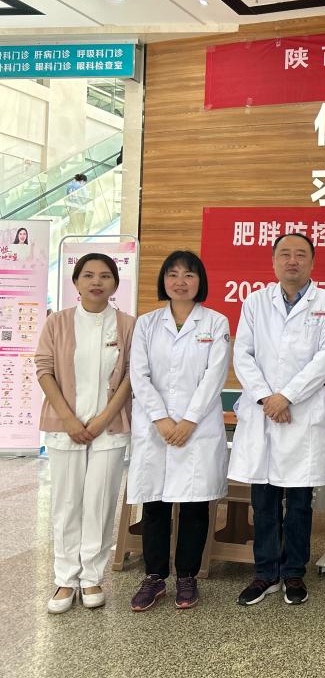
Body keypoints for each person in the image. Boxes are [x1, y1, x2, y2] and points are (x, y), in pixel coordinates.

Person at [229, 233, 325, 606]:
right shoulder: (255, 302)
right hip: (265, 412)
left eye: (300, 255)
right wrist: (267, 397)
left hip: (301, 414)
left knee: (298, 504)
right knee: (263, 501)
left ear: (312, 262)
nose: (292, 260)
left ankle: (293, 572)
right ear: (274, 260)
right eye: (285, 254)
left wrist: (286, 396)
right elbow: (243, 354)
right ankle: (264, 574)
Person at [127, 251, 230, 611]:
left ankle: (187, 576)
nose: (180, 282)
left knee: (194, 506)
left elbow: (214, 376)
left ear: (200, 281)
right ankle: (154, 577)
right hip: (155, 428)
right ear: (163, 280)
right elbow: (139, 375)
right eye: (173, 274)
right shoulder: (147, 324)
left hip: (196, 429)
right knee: (154, 504)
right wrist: (161, 419)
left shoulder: (215, 322)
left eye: (189, 275)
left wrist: (188, 421)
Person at [35, 253, 135, 614]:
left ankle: (92, 576)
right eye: (88, 275)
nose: (97, 282)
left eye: (105, 276)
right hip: (66, 426)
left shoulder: (127, 325)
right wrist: (70, 419)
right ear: (76, 282)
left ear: (115, 283)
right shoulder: (57, 322)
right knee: (66, 503)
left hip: (110, 427)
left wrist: (103, 419)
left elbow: (131, 375)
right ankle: (65, 578)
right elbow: (44, 369)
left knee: (100, 501)